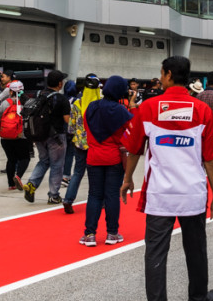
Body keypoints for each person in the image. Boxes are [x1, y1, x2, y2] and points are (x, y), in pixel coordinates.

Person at [120, 56, 213, 301]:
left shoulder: (147, 108)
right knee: (196, 248)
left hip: (159, 196)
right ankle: (197, 300)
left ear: (166, 75)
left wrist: (128, 178)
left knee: (155, 254)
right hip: (192, 193)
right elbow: (211, 158)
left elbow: (134, 148)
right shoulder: (202, 110)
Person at [80, 75, 132, 246]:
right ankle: (112, 233)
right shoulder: (121, 111)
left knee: (94, 195)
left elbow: (86, 127)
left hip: (93, 156)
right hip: (113, 157)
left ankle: (89, 235)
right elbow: (131, 132)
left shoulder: (92, 107)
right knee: (111, 196)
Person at [22, 70, 73, 205]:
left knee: (44, 161)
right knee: (57, 165)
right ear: (60, 83)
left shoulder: (38, 94)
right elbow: (67, 120)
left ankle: (32, 183)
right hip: (56, 137)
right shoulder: (61, 99)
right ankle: (54, 195)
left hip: (39, 135)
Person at [61, 75, 100, 213]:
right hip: (96, 144)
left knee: (77, 172)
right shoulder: (100, 104)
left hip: (79, 143)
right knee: (95, 174)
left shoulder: (77, 103)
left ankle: (68, 200)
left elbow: (71, 127)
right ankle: (97, 202)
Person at [0, 80, 31, 192]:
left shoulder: (5, 103)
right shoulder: (28, 103)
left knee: (11, 159)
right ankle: (18, 176)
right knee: (25, 158)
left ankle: (11, 184)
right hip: (21, 137)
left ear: (10, 91)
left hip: (6, 137)